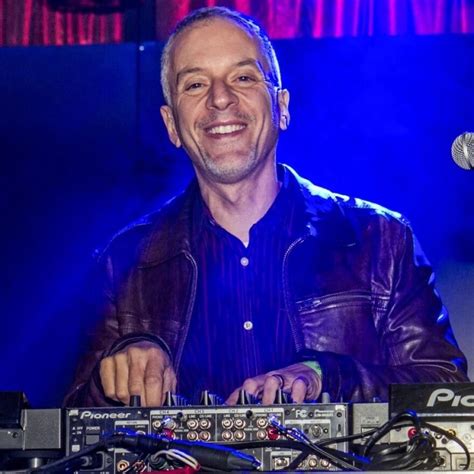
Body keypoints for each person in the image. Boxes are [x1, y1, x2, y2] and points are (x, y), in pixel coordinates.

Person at [64, 7, 468, 408]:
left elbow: (444, 391)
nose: (220, 98)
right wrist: (114, 379)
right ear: (171, 125)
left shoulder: (381, 240)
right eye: (195, 84)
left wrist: (326, 377)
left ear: (282, 106)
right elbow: (69, 426)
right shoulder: (123, 262)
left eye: (243, 77)